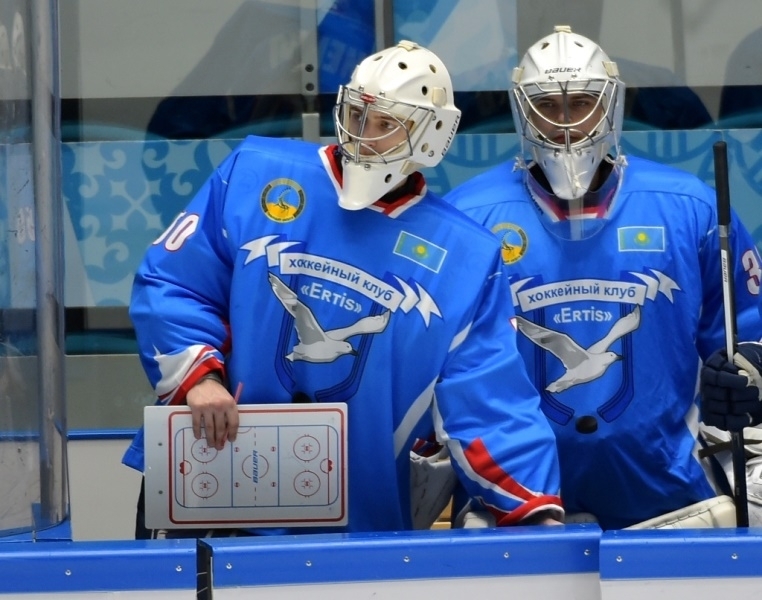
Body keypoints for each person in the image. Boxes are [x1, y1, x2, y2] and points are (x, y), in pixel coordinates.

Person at [122, 40, 564, 538]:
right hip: (209, 476)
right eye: (357, 115)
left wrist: (535, 506)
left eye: (386, 124)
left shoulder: (465, 256)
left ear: (432, 134)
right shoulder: (254, 172)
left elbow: (488, 397)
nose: (363, 135)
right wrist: (198, 377)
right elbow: (172, 280)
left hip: (354, 516)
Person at [444, 25, 762, 530]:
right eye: (548, 106)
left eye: (582, 103)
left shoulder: (689, 207)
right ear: (523, 111)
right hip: (518, 511)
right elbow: (444, 370)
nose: (566, 123)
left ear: (610, 105)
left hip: (670, 502)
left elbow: (747, 328)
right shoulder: (469, 218)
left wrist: (749, 369)